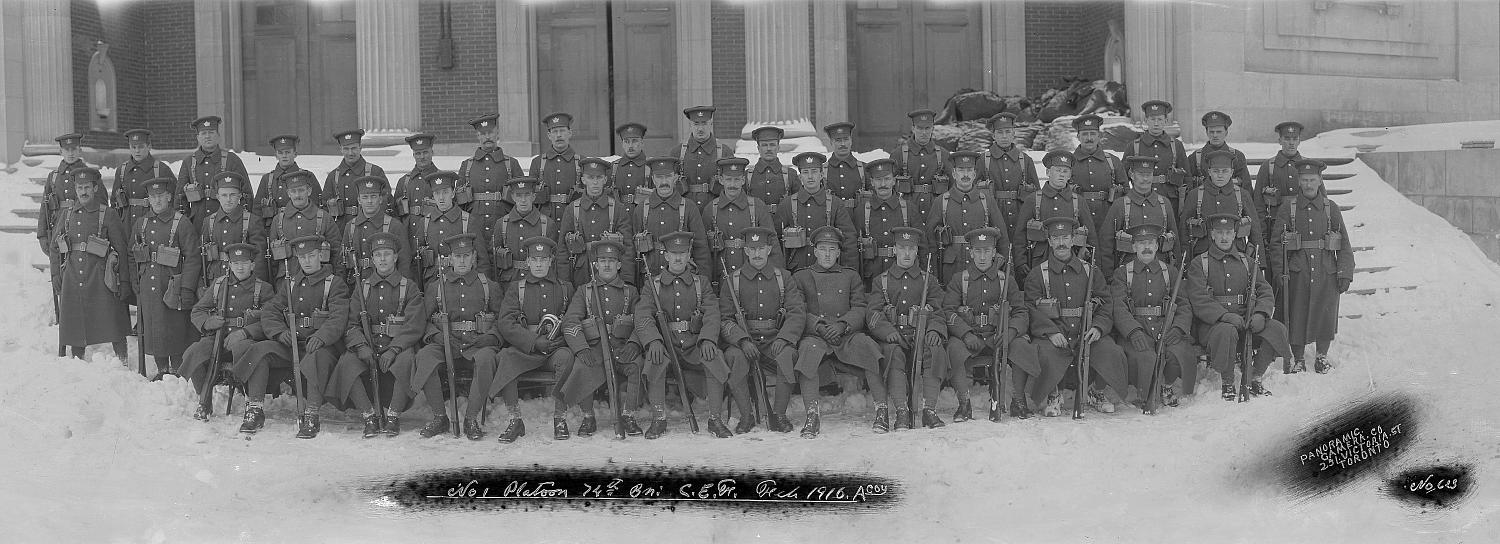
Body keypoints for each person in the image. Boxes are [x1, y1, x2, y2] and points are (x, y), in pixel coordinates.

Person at [243, 235, 350, 437]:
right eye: (302, 258)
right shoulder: (290, 283)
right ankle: (255, 409)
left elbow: (339, 317)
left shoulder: (334, 284)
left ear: (321, 255)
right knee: (260, 350)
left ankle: (312, 415)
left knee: (317, 358)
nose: (307, 261)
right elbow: (270, 310)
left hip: (321, 346)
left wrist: (322, 337)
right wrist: (279, 332)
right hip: (292, 344)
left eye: (311, 256)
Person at [1024, 216, 1128, 417]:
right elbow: (1030, 307)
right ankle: (1053, 394)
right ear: (1050, 241)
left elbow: (1106, 302)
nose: (1061, 243)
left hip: (1086, 330)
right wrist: (1050, 332)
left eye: (1065, 237)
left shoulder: (1091, 271)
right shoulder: (1038, 274)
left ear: (1073, 240)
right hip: (1056, 332)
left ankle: (1095, 392)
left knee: (1111, 350)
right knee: (1044, 352)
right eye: (1056, 238)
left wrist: (1098, 327)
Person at [790, 226, 885, 438]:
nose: (826, 254)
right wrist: (820, 327)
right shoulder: (802, 276)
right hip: (817, 334)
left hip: (845, 334)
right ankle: (812, 415)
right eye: (822, 249)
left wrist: (842, 325)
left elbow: (860, 307)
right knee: (807, 351)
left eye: (832, 249)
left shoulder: (850, 276)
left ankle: (882, 409)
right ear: (814, 251)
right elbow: (798, 310)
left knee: (869, 347)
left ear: (838, 252)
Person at [327, 232, 425, 436]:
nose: (382, 259)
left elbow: (413, 325)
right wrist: (361, 346)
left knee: (406, 360)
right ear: (372, 259)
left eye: (387, 254)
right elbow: (351, 324)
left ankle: (393, 416)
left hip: (397, 346)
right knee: (347, 363)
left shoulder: (409, 287)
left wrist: (394, 349)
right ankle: (369, 415)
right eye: (378, 255)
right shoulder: (362, 288)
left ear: (396, 257)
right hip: (368, 345)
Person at [1186, 214, 1292, 400]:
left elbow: (1265, 291)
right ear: (1212, 235)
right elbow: (1199, 299)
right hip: (1213, 326)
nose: (1224, 237)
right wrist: (1224, 316)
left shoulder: (1247, 262)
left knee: (1276, 329)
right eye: (1220, 233)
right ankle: (1228, 382)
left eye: (1228, 232)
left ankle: (1255, 377)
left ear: (1235, 234)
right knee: (1226, 331)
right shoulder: (1199, 263)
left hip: (1246, 320)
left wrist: (1260, 314)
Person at [636, 231, 731, 438]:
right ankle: (658, 419)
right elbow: (643, 315)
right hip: (666, 345)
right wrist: (653, 341)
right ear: (666, 256)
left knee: (715, 357)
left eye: (682, 253)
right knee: (654, 359)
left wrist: (707, 339)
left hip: (693, 344)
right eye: (673, 253)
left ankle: (715, 419)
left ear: (689, 255)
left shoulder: (701, 283)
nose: (678, 258)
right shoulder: (653, 284)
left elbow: (713, 313)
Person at [410, 233, 502, 440]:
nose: (462, 260)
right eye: (457, 256)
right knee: (425, 357)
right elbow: (422, 321)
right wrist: (436, 337)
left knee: (487, 359)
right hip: (445, 344)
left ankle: (471, 419)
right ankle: (440, 417)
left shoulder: (488, 286)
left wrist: (489, 338)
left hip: (477, 344)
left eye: (466, 255)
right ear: (449, 259)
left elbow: (501, 319)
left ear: (474, 257)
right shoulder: (436, 287)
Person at [939, 227, 1035, 423]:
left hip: (997, 338)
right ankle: (964, 404)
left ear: (994, 253)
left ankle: (1018, 400)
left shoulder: (1005, 280)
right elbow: (948, 311)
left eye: (987, 251)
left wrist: (1010, 331)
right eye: (978, 251)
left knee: (1021, 345)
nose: (983, 257)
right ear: (971, 253)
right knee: (954, 348)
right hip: (970, 339)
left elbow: (1021, 312)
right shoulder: (960, 280)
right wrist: (965, 334)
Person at [1267, 159, 1354, 374]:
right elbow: (1276, 243)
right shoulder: (1289, 208)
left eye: (1312, 180)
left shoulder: (1330, 208)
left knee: (1326, 314)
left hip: (1326, 270)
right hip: (1298, 271)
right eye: (1304, 180)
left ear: (1320, 180)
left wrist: (1344, 272)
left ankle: (1321, 357)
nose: (1308, 184)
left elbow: (1344, 241)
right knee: (1297, 313)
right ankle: (1298, 358)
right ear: (1298, 181)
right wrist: (1280, 272)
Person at [719, 226, 806, 434]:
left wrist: (784, 338)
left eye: (761, 248)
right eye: (752, 249)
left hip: (774, 339)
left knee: (787, 355)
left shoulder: (783, 278)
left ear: (769, 250)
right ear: (746, 251)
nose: (757, 254)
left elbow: (797, 312)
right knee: (733, 357)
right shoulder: (733, 280)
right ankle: (747, 416)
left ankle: (779, 414)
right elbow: (724, 319)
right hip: (744, 342)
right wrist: (741, 340)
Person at [490, 237, 576, 443]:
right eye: (534, 259)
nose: (539, 264)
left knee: (566, 358)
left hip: (554, 350)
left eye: (543, 259)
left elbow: (574, 320)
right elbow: (506, 322)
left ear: (551, 260)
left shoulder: (565, 288)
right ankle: (515, 420)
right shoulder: (516, 288)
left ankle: (560, 418)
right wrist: (533, 341)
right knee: (505, 358)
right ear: (527, 261)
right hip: (525, 351)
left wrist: (561, 340)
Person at [555, 240, 644, 438]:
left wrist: (634, 343)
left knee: (637, 365)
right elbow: (570, 321)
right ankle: (588, 417)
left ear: (619, 265)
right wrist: (581, 348)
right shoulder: (584, 291)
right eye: (602, 260)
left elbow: (642, 321)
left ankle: (628, 415)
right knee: (581, 366)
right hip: (594, 349)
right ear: (595, 264)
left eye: (611, 261)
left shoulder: (631, 291)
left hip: (622, 348)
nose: (606, 265)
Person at [1108, 222, 1198, 408]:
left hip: (1165, 327)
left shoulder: (1170, 272)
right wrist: (1132, 331)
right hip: (1137, 328)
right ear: (1133, 246)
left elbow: (1184, 305)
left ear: (1157, 245)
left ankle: (1166, 385)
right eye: (1141, 243)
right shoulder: (1123, 273)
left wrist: (1178, 328)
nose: (1146, 247)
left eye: (1150, 242)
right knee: (1143, 357)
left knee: (1177, 354)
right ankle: (1144, 392)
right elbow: (1118, 307)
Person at [181, 243, 273, 420]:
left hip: (247, 342)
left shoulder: (263, 289)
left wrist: (245, 332)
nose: (240, 267)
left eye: (245, 263)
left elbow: (271, 320)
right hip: (218, 339)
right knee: (194, 353)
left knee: (250, 353)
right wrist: (208, 322)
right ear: (229, 265)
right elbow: (197, 311)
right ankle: (204, 401)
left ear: (252, 265)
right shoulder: (218, 285)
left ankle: (252, 406)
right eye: (236, 263)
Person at [867, 227, 944, 430]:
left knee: (935, 350)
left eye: (911, 248)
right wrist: (888, 332)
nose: (907, 253)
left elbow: (938, 310)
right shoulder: (881, 281)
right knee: (893, 354)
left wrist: (934, 330)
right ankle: (902, 411)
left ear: (917, 250)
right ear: (894, 250)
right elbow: (873, 314)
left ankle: (929, 410)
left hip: (921, 334)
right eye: (902, 248)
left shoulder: (928, 280)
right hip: (895, 337)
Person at [53, 167, 131, 361]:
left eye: (87, 187)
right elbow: (55, 246)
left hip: (101, 276)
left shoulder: (108, 214)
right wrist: (56, 275)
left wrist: (125, 281)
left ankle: (122, 362)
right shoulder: (68, 213)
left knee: (114, 321)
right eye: (79, 187)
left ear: (95, 188)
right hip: (73, 275)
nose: (83, 191)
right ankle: (77, 363)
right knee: (75, 324)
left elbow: (122, 249)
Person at [130, 177, 202, 378]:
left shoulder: (181, 223)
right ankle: (161, 369)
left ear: (169, 197)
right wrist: (136, 281)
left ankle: (178, 370)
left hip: (172, 286)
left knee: (175, 328)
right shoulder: (141, 223)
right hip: (149, 285)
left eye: (161, 196)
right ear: (148, 200)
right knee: (154, 329)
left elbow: (193, 257)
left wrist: (186, 288)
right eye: (153, 197)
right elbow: (130, 254)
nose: (158, 200)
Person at [1011, 151, 1098, 279]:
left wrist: (1092, 262)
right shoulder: (1033, 200)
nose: (1061, 175)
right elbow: (1020, 235)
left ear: (1070, 175)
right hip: (1040, 259)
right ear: (1048, 173)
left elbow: (1091, 237)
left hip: (1071, 259)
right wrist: (1020, 262)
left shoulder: (1078, 201)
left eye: (1065, 171)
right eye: (1057, 170)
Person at [927, 151, 1006, 283]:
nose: (965, 175)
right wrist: (934, 272)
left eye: (969, 170)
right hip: (950, 268)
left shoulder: (986, 200)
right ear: (954, 174)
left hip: (981, 266)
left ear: (974, 174)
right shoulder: (941, 201)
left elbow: (1002, 237)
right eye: (961, 170)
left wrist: (1000, 265)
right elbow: (930, 240)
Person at [39, 133, 99, 308]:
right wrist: (42, 234)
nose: (71, 153)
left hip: (82, 226)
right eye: (67, 150)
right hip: (59, 226)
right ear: (60, 151)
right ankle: (65, 309)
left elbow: (101, 203)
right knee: (60, 267)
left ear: (79, 150)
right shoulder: (54, 176)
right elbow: (45, 206)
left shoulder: (90, 174)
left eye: (74, 149)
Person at [705, 157, 782, 286]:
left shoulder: (757, 206)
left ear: (743, 180)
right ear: (721, 180)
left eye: (737, 179)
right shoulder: (711, 209)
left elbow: (772, 242)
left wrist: (777, 278)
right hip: (721, 276)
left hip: (752, 275)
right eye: (728, 179)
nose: (732, 185)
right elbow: (704, 249)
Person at [632, 157, 711, 284]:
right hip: (649, 279)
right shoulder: (641, 209)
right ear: (653, 179)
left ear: (675, 178)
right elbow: (632, 249)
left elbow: (700, 248)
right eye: (659, 177)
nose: (664, 181)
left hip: (682, 282)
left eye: (668, 176)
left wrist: (703, 283)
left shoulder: (689, 208)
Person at [777, 151, 858, 272]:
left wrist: (847, 273)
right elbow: (776, 241)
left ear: (821, 174)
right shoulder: (787, 204)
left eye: (814, 171)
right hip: (796, 270)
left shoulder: (835, 204)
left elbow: (848, 240)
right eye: (805, 172)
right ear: (800, 177)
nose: (810, 176)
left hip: (829, 271)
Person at [560, 157, 634, 287]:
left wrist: (626, 280)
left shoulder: (618, 209)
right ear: (583, 180)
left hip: (610, 274)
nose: (595, 182)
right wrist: (564, 283)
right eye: (590, 177)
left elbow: (627, 247)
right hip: (580, 272)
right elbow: (562, 249)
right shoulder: (572, 209)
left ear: (605, 180)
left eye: (599, 178)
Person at [1099, 156, 1179, 275]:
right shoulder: (1120, 205)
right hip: (1127, 273)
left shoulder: (1164, 203)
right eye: (1141, 174)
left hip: (1161, 274)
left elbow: (1175, 240)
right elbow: (1106, 244)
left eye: (1149, 174)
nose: (1145, 178)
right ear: (1132, 174)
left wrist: (1175, 274)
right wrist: (1109, 276)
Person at [412, 171, 488, 286]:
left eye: (445, 192)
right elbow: (415, 260)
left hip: (462, 282)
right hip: (432, 281)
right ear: (433, 196)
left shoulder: (467, 221)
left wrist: (481, 287)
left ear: (453, 193)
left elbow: (482, 259)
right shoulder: (425, 222)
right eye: (437, 193)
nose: (441, 198)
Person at [1179, 150, 1261, 257]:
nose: (1220, 175)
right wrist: (1186, 261)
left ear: (1231, 172)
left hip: (1235, 256)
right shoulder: (1195, 195)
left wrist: (1259, 263)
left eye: (1225, 171)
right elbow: (1184, 230)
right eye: (1216, 171)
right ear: (1209, 172)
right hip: (1203, 256)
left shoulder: (1242, 195)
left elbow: (1255, 231)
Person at [265, 170, 340, 282]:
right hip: (286, 280)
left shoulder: (324, 218)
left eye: (301, 190)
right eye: (293, 191)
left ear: (309, 191)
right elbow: (272, 260)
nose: (297, 195)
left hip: (318, 281)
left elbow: (336, 253)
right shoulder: (278, 220)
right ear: (288, 193)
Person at [852, 158, 917, 286]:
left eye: (887, 179)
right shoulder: (862, 210)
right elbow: (853, 246)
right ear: (872, 182)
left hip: (902, 275)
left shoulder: (908, 208)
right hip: (871, 275)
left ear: (894, 181)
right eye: (878, 180)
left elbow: (921, 244)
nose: (883, 184)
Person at [176, 116, 252, 224]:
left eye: (211, 132)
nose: (207, 136)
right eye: (203, 133)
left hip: (227, 223)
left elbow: (246, 194)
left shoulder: (232, 160)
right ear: (198, 137)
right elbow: (180, 197)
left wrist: (241, 221)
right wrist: (185, 224)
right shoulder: (188, 162)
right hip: (198, 224)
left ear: (218, 136)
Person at [340, 176, 415, 285]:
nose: (369, 201)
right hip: (356, 287)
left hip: (386, 287)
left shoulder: (394, 226)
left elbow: (404, 263)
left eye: (373, 196)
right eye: (365, 197)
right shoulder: (350, 227)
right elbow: (342, 264)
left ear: (380, 199)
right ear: (359, 200)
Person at [198, 172, 268, 285]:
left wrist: (257, 285)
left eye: (233, 195)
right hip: (215, 280)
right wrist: (201, 284)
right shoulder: (209, 222)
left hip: (243, 280)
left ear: (240, 196)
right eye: (224, 195)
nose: (228, 199)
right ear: (217, 197)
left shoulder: (252, 221)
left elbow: (259, 258)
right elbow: (201, 256)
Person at [488, 177, 560, 285]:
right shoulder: (502, 224)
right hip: (508, 282)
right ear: (512, 197)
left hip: (537, 282)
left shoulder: (547, 224)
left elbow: (555, 259)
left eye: (527, 195)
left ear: (534, 196)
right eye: (518, 195)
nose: (523, 200)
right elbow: (492, 259)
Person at [113, 129, 177, 246]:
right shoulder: (122, 170)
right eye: (133, 147)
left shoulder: (160, 169)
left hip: (154, 222)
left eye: (141, 147)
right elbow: (114, 203)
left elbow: (174, 198)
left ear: (149, 146)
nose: (137, 151)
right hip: (127, 224)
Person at [978, 113, 1039, 234]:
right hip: (993, 215)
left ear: (1014, 133)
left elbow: (1037, 194)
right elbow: (974, 194)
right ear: (993, 135)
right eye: (1000, 132)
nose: (1004, 136)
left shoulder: (1025, 160)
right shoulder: (983, 159)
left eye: (1008, 131)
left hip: (1021, 215)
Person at [460, 115, 524, 228]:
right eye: (483, 133)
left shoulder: (511, 163)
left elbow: (522, 196)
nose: (487, 137)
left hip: (505, 224)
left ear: (497, 133)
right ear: (478, 135)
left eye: (490, 132)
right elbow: (459, 201)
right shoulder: (467, 165)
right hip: (474, 225)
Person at [1069, 114, 1128, 236]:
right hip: (1078, 220)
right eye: (1085, 134)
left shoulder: (1113, 161)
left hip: (1108, 219)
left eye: (1092, 134)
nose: (1089, 138)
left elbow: (1126, 192)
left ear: (1099, 136)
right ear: (1078, 136)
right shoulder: (1068, 163)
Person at [1125, 100, 1189, 211]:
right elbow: (1123, 177)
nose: (1156, 123)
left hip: (1170, 200)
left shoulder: (1176, 146)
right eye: (1152, 119)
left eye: (1159, 119)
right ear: (1146, 120)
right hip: (1141, 200)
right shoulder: (1134, 146)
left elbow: (1187, 177)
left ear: (1166, 121)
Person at [323, 129, 388, 228]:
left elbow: (385, 201)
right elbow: (325, 206)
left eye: (354, 148)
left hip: (369, 226)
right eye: (346, 149)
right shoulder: (333, 176)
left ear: (360, 148)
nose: (350, 153)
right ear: (340, 149)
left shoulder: (375, 172)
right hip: (341, 228)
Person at [890, 109, 949, 218]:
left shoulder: (944, 155)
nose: (924, 132)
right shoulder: (898, 154)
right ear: (913, 128)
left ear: (933, 128)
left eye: (927, 128)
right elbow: (890, 187)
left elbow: (952, 188)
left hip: (936, 211)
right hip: (906, 211)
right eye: (920, 128)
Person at [1254, 122, 1306, 243]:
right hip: (1275, 225)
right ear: (1280, 140)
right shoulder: (1268, 166)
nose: (1291, 143)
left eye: (1295, 139)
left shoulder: (1308, 166)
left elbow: (1321, 198)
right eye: (1287, 138)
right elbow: (1258, 204)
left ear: (1299, 141)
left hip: (1303, 222)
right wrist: (1263, 232)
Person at [677, 106, 735, 208]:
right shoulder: (678, 152)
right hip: (685, 210)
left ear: (711, 124)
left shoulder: (724, 152)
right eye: (696, 124)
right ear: (690, 125)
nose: (700, 129)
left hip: (716, 209)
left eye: (704, 123)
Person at [529, 112, 583, 222]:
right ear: (549, 135)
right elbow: (530, 196)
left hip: (573, 218)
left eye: (562, 130)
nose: (559, 135)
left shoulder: (581, 162)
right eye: (554, 131)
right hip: (545, 220)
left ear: (570, 133)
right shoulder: (538, 162)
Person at [256, 135, 316, 232]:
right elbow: (257, 210)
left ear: (295, 153)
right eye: (280, 153)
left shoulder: (307, 176)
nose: (284, 156)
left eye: (288, 152)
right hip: (273, 229)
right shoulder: (267, 179)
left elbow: (316, 205)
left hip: (302, 228)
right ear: (275, 155)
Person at [1185, 111, 1251, 193]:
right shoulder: (1195, 157)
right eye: (1211, 132)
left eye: (1219, 132)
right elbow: (1188, 185)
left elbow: (1246, 186)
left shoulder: (1237, 156)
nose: (1215, 135)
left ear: (1226, 132)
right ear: (1206, 132)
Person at [394, 133, 440, 228]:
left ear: (432, 152)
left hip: (433, 230)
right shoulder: (404, 181)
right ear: (413, 155)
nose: (422, 157)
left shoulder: (441, 179)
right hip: (408, 233)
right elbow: (395, 212)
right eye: (418, 153)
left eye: (425, 152)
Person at [747, 126, 799, 208]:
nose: (768, 149)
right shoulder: (747, 176)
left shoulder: (790, 175)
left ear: (778, 148)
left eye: (772, 145)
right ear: (758, 148)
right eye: (764, 145)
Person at [822, 122, 866, 205]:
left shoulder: (864, 168)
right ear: (831, 142)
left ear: (851, 141)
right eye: (838, 140)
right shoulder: (822, 170)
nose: (843, 144)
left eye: (846, 139)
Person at [611, 122, 652, 206]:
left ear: (642, 143)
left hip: (643, 214)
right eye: (626, 141)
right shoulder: (613, 167)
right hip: (619, 216)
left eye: (634, 141)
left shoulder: (651, 166)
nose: (630, 146)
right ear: (622, 144)